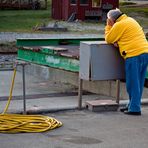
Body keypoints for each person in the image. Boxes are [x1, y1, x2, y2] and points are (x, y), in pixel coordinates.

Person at [105, 8, 148, 115]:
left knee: (132, 83)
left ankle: (134, 109)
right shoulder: (131, 20)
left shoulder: (118, 25)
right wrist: (119, 41)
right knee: (139, 82)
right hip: (144, 52)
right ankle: (132, 105)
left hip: (133, 55)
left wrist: (109, 25)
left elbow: (108, 39)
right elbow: (128, 36)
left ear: (112, 19)